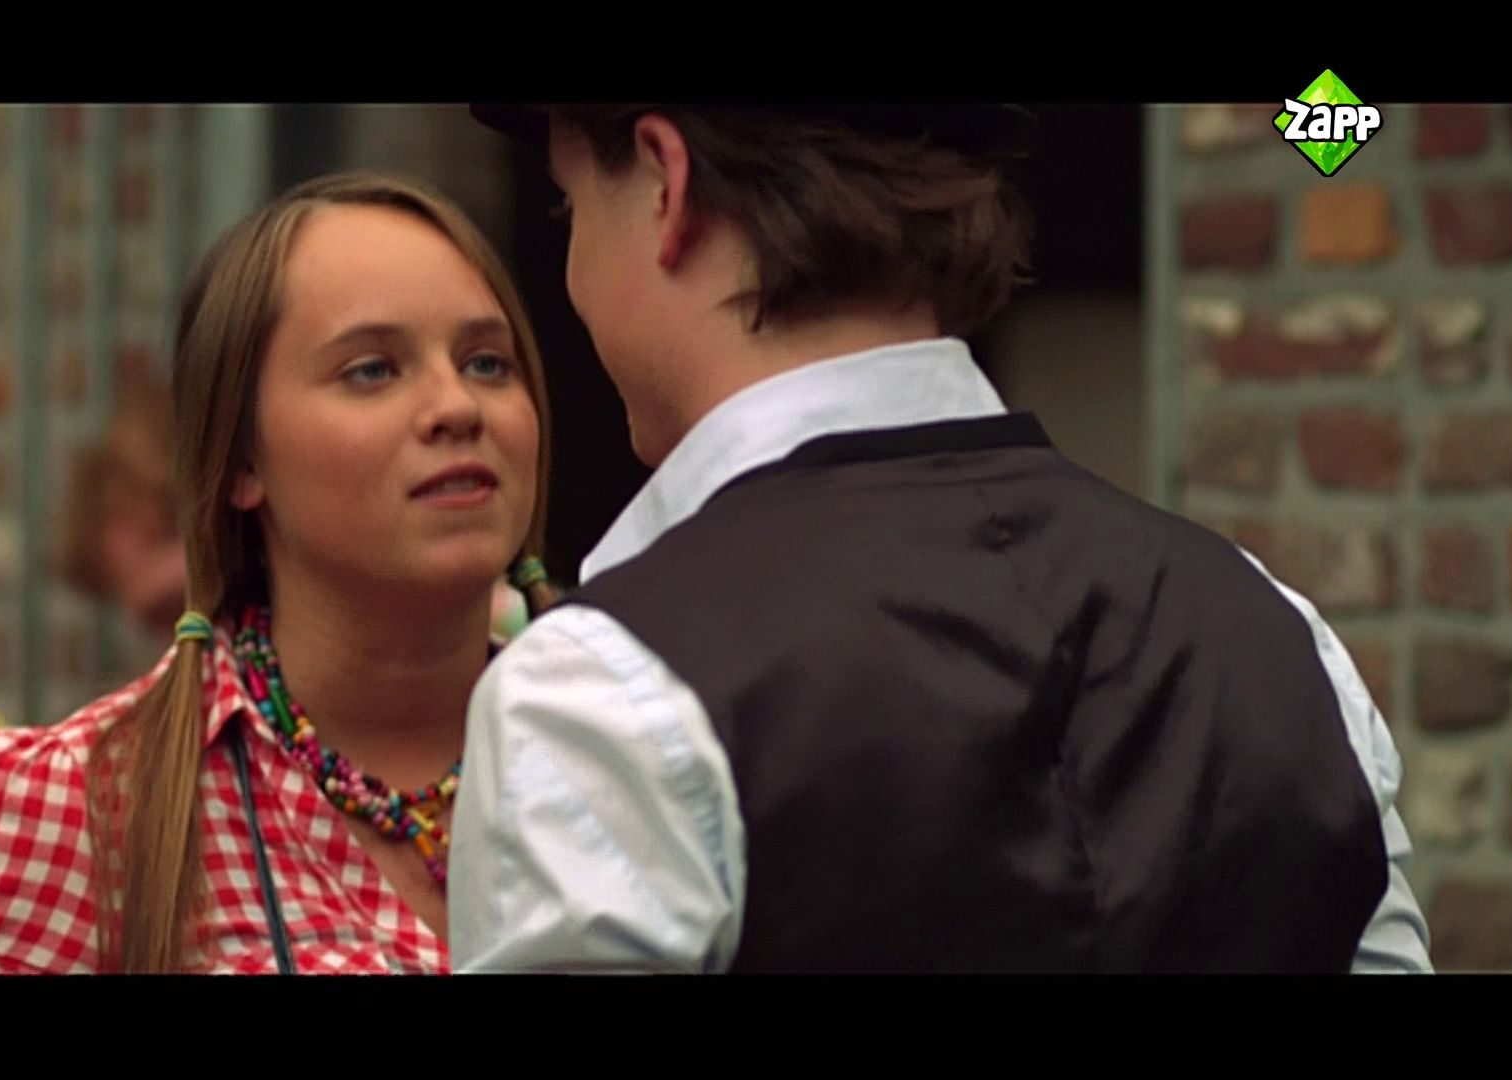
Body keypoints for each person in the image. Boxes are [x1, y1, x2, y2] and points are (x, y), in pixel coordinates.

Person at [448, 104, 1432, 973]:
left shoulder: (600, 692)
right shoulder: (1281, 637)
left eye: (573, 206)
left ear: (668, 185)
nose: (574, 263)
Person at [0, 171, 558, 974]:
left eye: (487, 362)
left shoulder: (633, 740)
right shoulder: (77, 818)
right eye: (372, 369)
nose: (457, 405)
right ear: (241, 461)